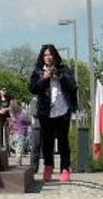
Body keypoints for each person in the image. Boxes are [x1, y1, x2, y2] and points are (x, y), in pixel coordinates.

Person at [29, 44, 77, 183]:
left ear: (55, 55)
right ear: (42, 57)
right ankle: (48, 167)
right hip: (46, 111)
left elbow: (73, 85)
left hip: (63, 110)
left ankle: (65, 169)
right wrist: (44, 78)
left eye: (50, 54)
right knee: (47, 141)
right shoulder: (38, 71)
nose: (48, 57)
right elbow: (33, 88)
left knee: (63, 141)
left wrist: (60, 77)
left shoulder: (63, 68)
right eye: (45, 55)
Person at [9, 100, 31, 165]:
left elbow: (11, 125)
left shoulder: (13, 116)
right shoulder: (22, 116)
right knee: (19, 150)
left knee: (17, 150)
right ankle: (18, 163)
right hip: (21, 134)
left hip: (15, 134)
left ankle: (18, 162)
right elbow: (28, 122)